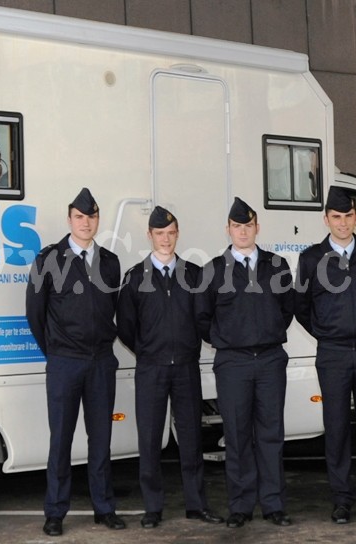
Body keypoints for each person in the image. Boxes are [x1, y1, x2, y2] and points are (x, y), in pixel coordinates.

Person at [115, 206, 224, 529]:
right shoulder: (135, 277)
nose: (166, 239)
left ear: (178, 234)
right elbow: (125, 326)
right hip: (151, 369)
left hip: (186, 368)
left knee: (191, 438)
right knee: (149, 439)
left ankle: (196, 504)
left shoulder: (193, 275)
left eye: (171, 233)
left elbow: (203, 318)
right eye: (159, 234)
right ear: (150, 235)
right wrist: (148, 351)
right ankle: (153, 507)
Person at [25, 187, 124, 536]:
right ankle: (55, 512)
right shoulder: (48, 259)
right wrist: (54, 350)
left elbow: (115, 311)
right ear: (69, 220)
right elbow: (35, 314)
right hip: (65, 362)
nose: (86, 223)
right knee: (61, 440)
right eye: (80, 217)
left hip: (101, 363)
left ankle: (104, 507)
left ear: (98, 220)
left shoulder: (110, 262)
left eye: (92, 217)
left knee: (101, 439)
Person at [195, 197, 295, 529]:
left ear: (257, 228)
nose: (242, 231)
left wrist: (267, 332)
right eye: (237, 226)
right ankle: (240, 505)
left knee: (271, 435)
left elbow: (287, 309)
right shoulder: (213, 270)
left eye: (248, 225)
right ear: (228, 229)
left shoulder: (276, 265)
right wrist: (227, 339)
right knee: (236, 437)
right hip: (233, 363)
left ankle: (273, 504)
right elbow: (202, 317)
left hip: (269, 361)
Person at [294, 187, 356, 524]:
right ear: (326, 219)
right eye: (335, 217)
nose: (342, 222)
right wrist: (325, 333)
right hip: (333, 354)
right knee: (335, 430)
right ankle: (341, 500)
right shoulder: (310, 258)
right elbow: (301, 307)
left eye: (347, 216)